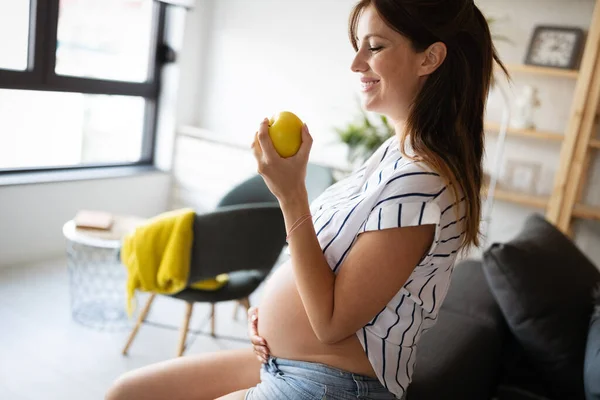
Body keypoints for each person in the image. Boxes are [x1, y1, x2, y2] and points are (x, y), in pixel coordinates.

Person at [106, 0, 507, 399]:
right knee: (128, 391)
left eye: (375, 46)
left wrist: (291, 193)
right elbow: (329, 261)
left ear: (430, 58)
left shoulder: (421, 181)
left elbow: (331, 323)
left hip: (328, 385)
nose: (356, 63)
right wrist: (271, 317)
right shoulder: (396, 155)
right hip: (288, 363)